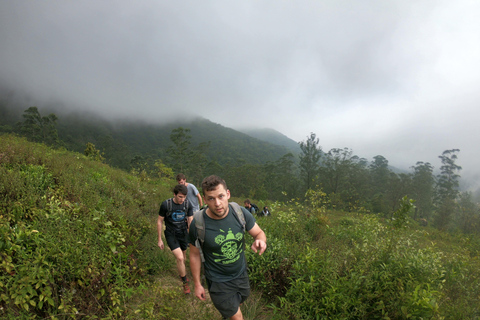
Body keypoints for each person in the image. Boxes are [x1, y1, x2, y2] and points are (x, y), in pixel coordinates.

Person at [189, 175, 267, 320]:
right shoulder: (198, 223)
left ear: (228, 194)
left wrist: (260, 241)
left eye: (221, 196)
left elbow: (259, 233)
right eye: (211, 198)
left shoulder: (240, 213)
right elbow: (194, 254)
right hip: (218, 281)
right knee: (237, 317)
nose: (217, 203)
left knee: (238, 304)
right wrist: (197, 284)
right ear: (205, 200)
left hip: (241, 273)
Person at [157, 184, 194, 294]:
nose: (182, 199)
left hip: (183, 233)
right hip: (171, 234)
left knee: (183, 256)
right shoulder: (166, 205)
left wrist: (191, 236)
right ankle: (184, 282)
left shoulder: (187, 204)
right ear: (174, 194)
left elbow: (190, 220)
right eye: (180, 197)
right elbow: (159, 221)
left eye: (184, 197)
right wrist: (160, 239)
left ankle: (182, 273)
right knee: (180, 258)